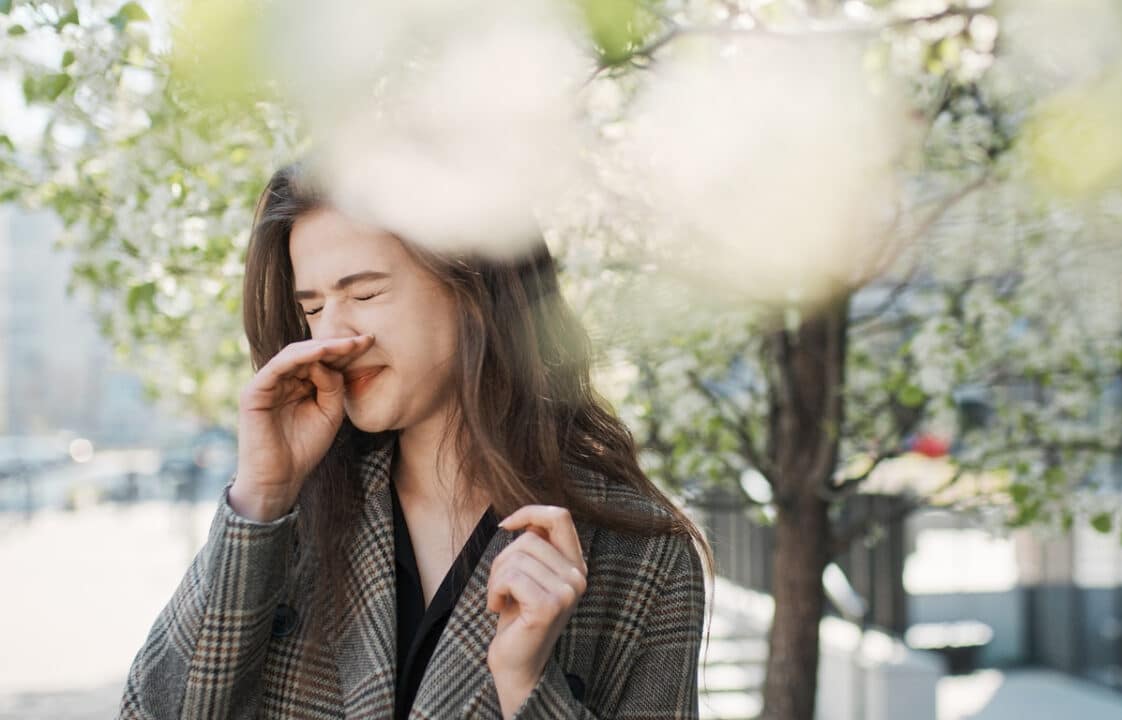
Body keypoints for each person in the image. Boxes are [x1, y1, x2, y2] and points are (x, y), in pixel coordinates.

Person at [118, 163, 712, 719]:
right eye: (314, 307)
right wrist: (259, 501)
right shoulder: (286, 523)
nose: (331, 336)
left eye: (365, 294)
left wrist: (528, 687)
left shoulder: (641, 556)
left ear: (476, 291)